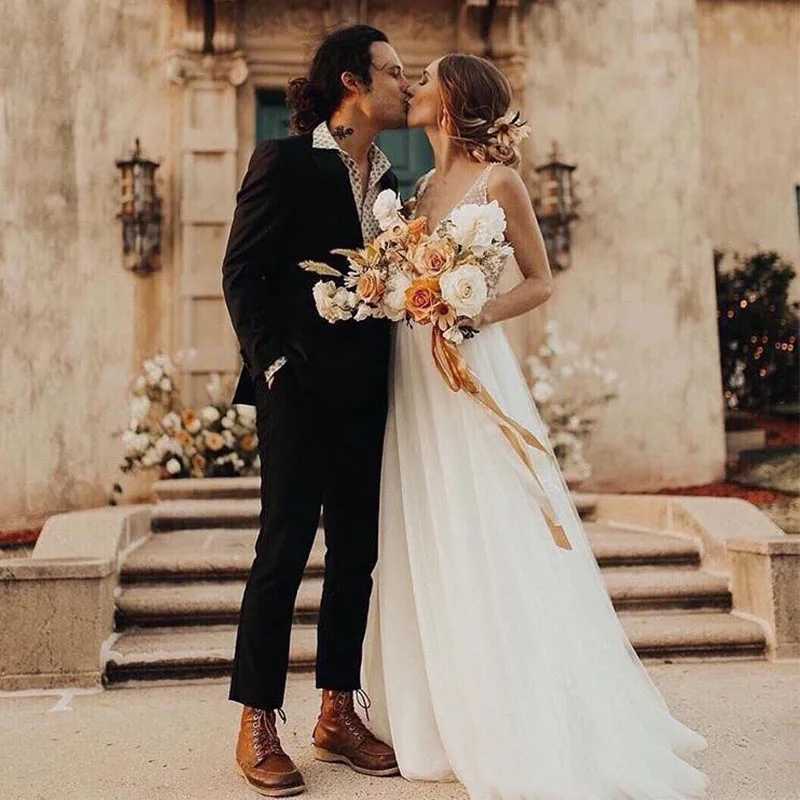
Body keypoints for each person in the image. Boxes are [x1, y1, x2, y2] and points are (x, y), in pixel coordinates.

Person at [361, 53, 709, 800]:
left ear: (452, 100)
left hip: (470, 368)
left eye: (426, 81)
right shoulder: (418, 189)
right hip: (413, 373)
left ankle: (521, 711)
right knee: (430, 522)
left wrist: (473, 312)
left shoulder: (501, 183)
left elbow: (541, 280)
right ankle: (434, 710)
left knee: (489, 522)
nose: (413, 88)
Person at [221, 25, 410, 797]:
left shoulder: (393, 180)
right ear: (351, 83)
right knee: (283, 553)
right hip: (295, 392)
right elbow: (242, 271)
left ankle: (338, 709)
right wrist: (271, 367)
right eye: (394, 73)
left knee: (356, 556)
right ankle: (257, 719)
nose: (408, 83)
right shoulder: (286, 161)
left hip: (369, 393)